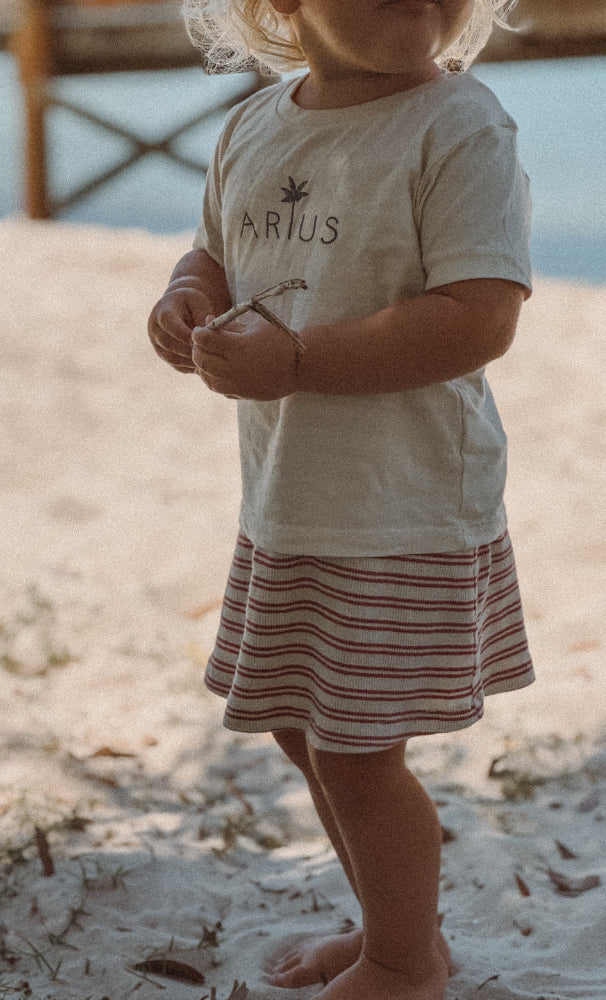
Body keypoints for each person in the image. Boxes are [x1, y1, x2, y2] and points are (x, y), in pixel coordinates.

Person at [148, 0, 534, 996]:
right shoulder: (255, 124)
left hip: (400, 504)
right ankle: (393, 933)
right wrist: (184, 295)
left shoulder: (460, 124)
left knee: (360, 752)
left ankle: (404, 964)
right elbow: (217, 252)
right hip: (291, 496)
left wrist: (301, 358)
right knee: (302, 726)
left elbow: (477, 315)